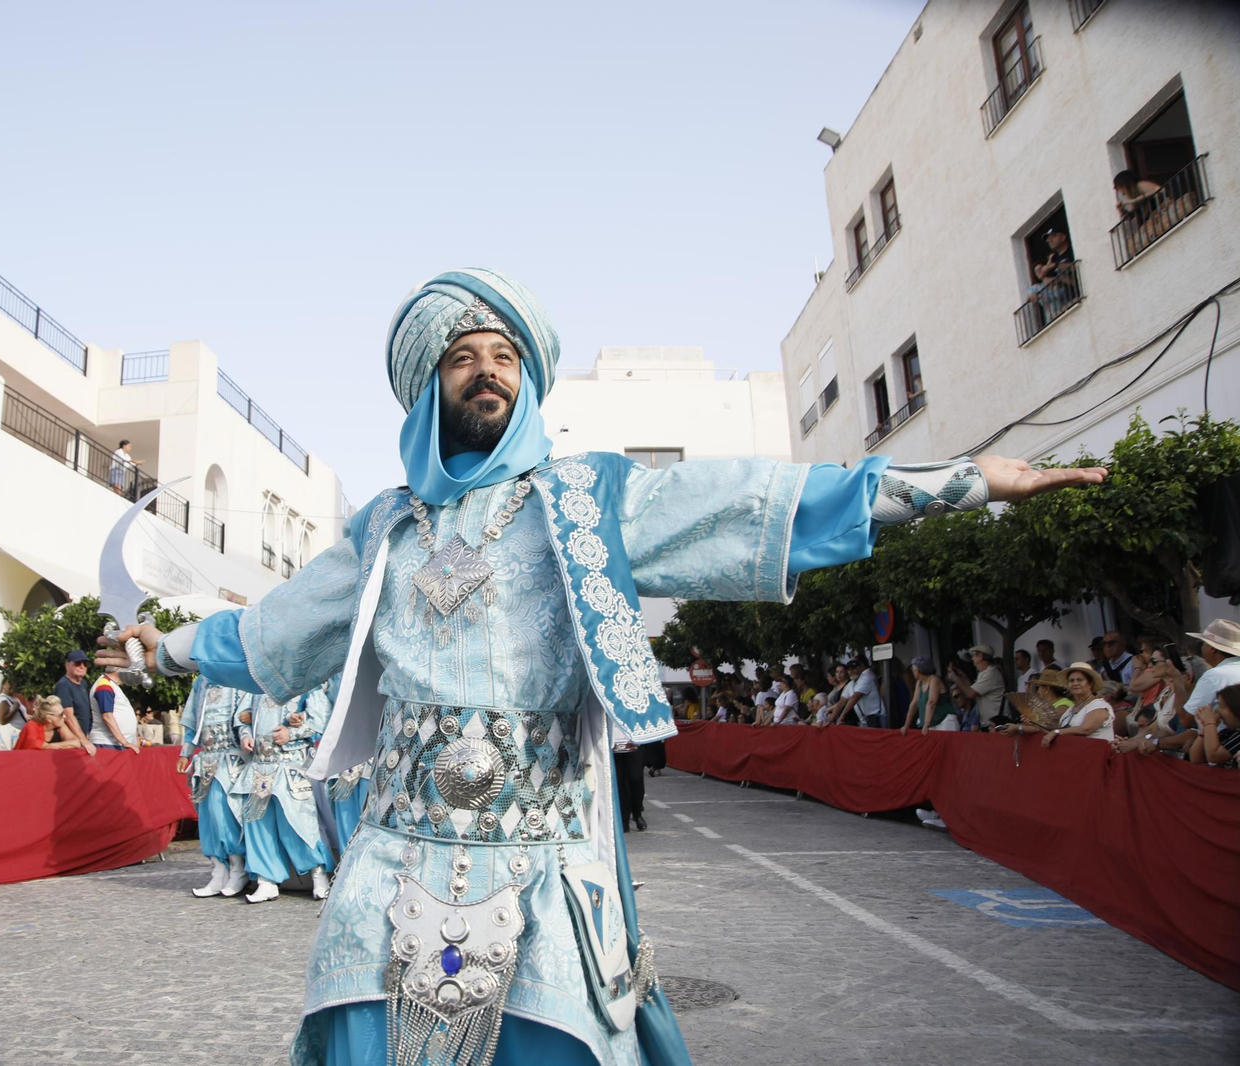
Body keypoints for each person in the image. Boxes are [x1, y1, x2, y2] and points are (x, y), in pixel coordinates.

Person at [97, 267, 1102, 1065]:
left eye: (502, 355)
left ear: (527, 378)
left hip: (546, 849)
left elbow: (756, 500)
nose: (484, 369)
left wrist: (969, 481)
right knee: (363, 1018)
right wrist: (170, 644)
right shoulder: (383, 530)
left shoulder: (590, 501)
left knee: (559, 1035)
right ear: (426, 385)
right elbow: (274, 631)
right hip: (398, 842)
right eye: (460, 357)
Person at [231, 687, 331, 904]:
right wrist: (245, 735)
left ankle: (318, 873)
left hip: (291, 764)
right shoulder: (256, 683)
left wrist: (292, 733)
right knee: (257, 822)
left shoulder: (306, 682)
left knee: (298, 822)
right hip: (259, 765)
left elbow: (322, 719)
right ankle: (266, 880)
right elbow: (242, 717)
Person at [179, 677, 249, 898]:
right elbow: (193, 720)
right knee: (207, 814)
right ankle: (218, 869)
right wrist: (186, 751)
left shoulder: (240, 674)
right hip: (206, 757)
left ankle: (238, 867)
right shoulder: (202, 682)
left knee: (224, 812)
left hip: (231, 755)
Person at [1181, 620, 1240, 730]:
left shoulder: (1214, 675)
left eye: (1203, 643)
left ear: (1211, 648)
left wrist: (1176, 680)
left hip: (1223, 742)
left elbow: (1185, 721)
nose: (1202, 648)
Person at [1036, 663, 1114, 744]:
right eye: (1071, 680)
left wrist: (1056, 732)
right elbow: (1060, 730)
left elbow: (1085, 729)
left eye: (1080, 680)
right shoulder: (1069, 710)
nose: (1075, 683)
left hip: (1097, 754)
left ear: (1090, 683)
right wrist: (1035, 725)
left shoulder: (1099, 705)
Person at [53, 651, 98, 756]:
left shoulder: (83, 684)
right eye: (77, 663)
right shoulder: (64, 685)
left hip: (81, 739)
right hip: (70, 743)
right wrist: (84, 740)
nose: (82, 666)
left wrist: (85, 736)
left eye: (85, 664)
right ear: (67, 665)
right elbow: (68, 716)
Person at [88, 666, 140, 751]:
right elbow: (107, 716)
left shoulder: (111, 685)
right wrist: (124, 742)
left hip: (114, 743)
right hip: (108, 744)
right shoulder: (104, 684)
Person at [951, 645, 1004, 730]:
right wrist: (962, 676)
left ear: (980, 657)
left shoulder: (990, 673)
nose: (972, 659)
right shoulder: (983, 673)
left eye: (974, 656)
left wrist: (956, 678)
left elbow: (971, 694)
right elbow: (972, 688)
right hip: (989, 723)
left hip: (996, 724)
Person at [1188, 685, 1240, 768]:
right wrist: (1204, 730)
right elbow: (1196, 759)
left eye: (1222, 706)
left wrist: (1210, 722)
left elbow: (1214, 756)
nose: (1216, 710)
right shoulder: (1227, 733)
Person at [901, 657, 958, 733]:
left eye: (913, 669)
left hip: (944, 721)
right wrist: (906, 726)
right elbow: (914, 704)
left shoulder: (934, 679)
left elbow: (932, 702)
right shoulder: (919, 682)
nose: (912, 671)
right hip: (932, 724)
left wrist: (926, 724)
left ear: (918, 670)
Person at [15, 696, 84, 750]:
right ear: (49, 718)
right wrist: (62, 745)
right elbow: (36, 745)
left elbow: (76, 743)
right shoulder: (32, 726)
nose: (64, 716)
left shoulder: (59, 725)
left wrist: (51, 746)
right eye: (61, 714)